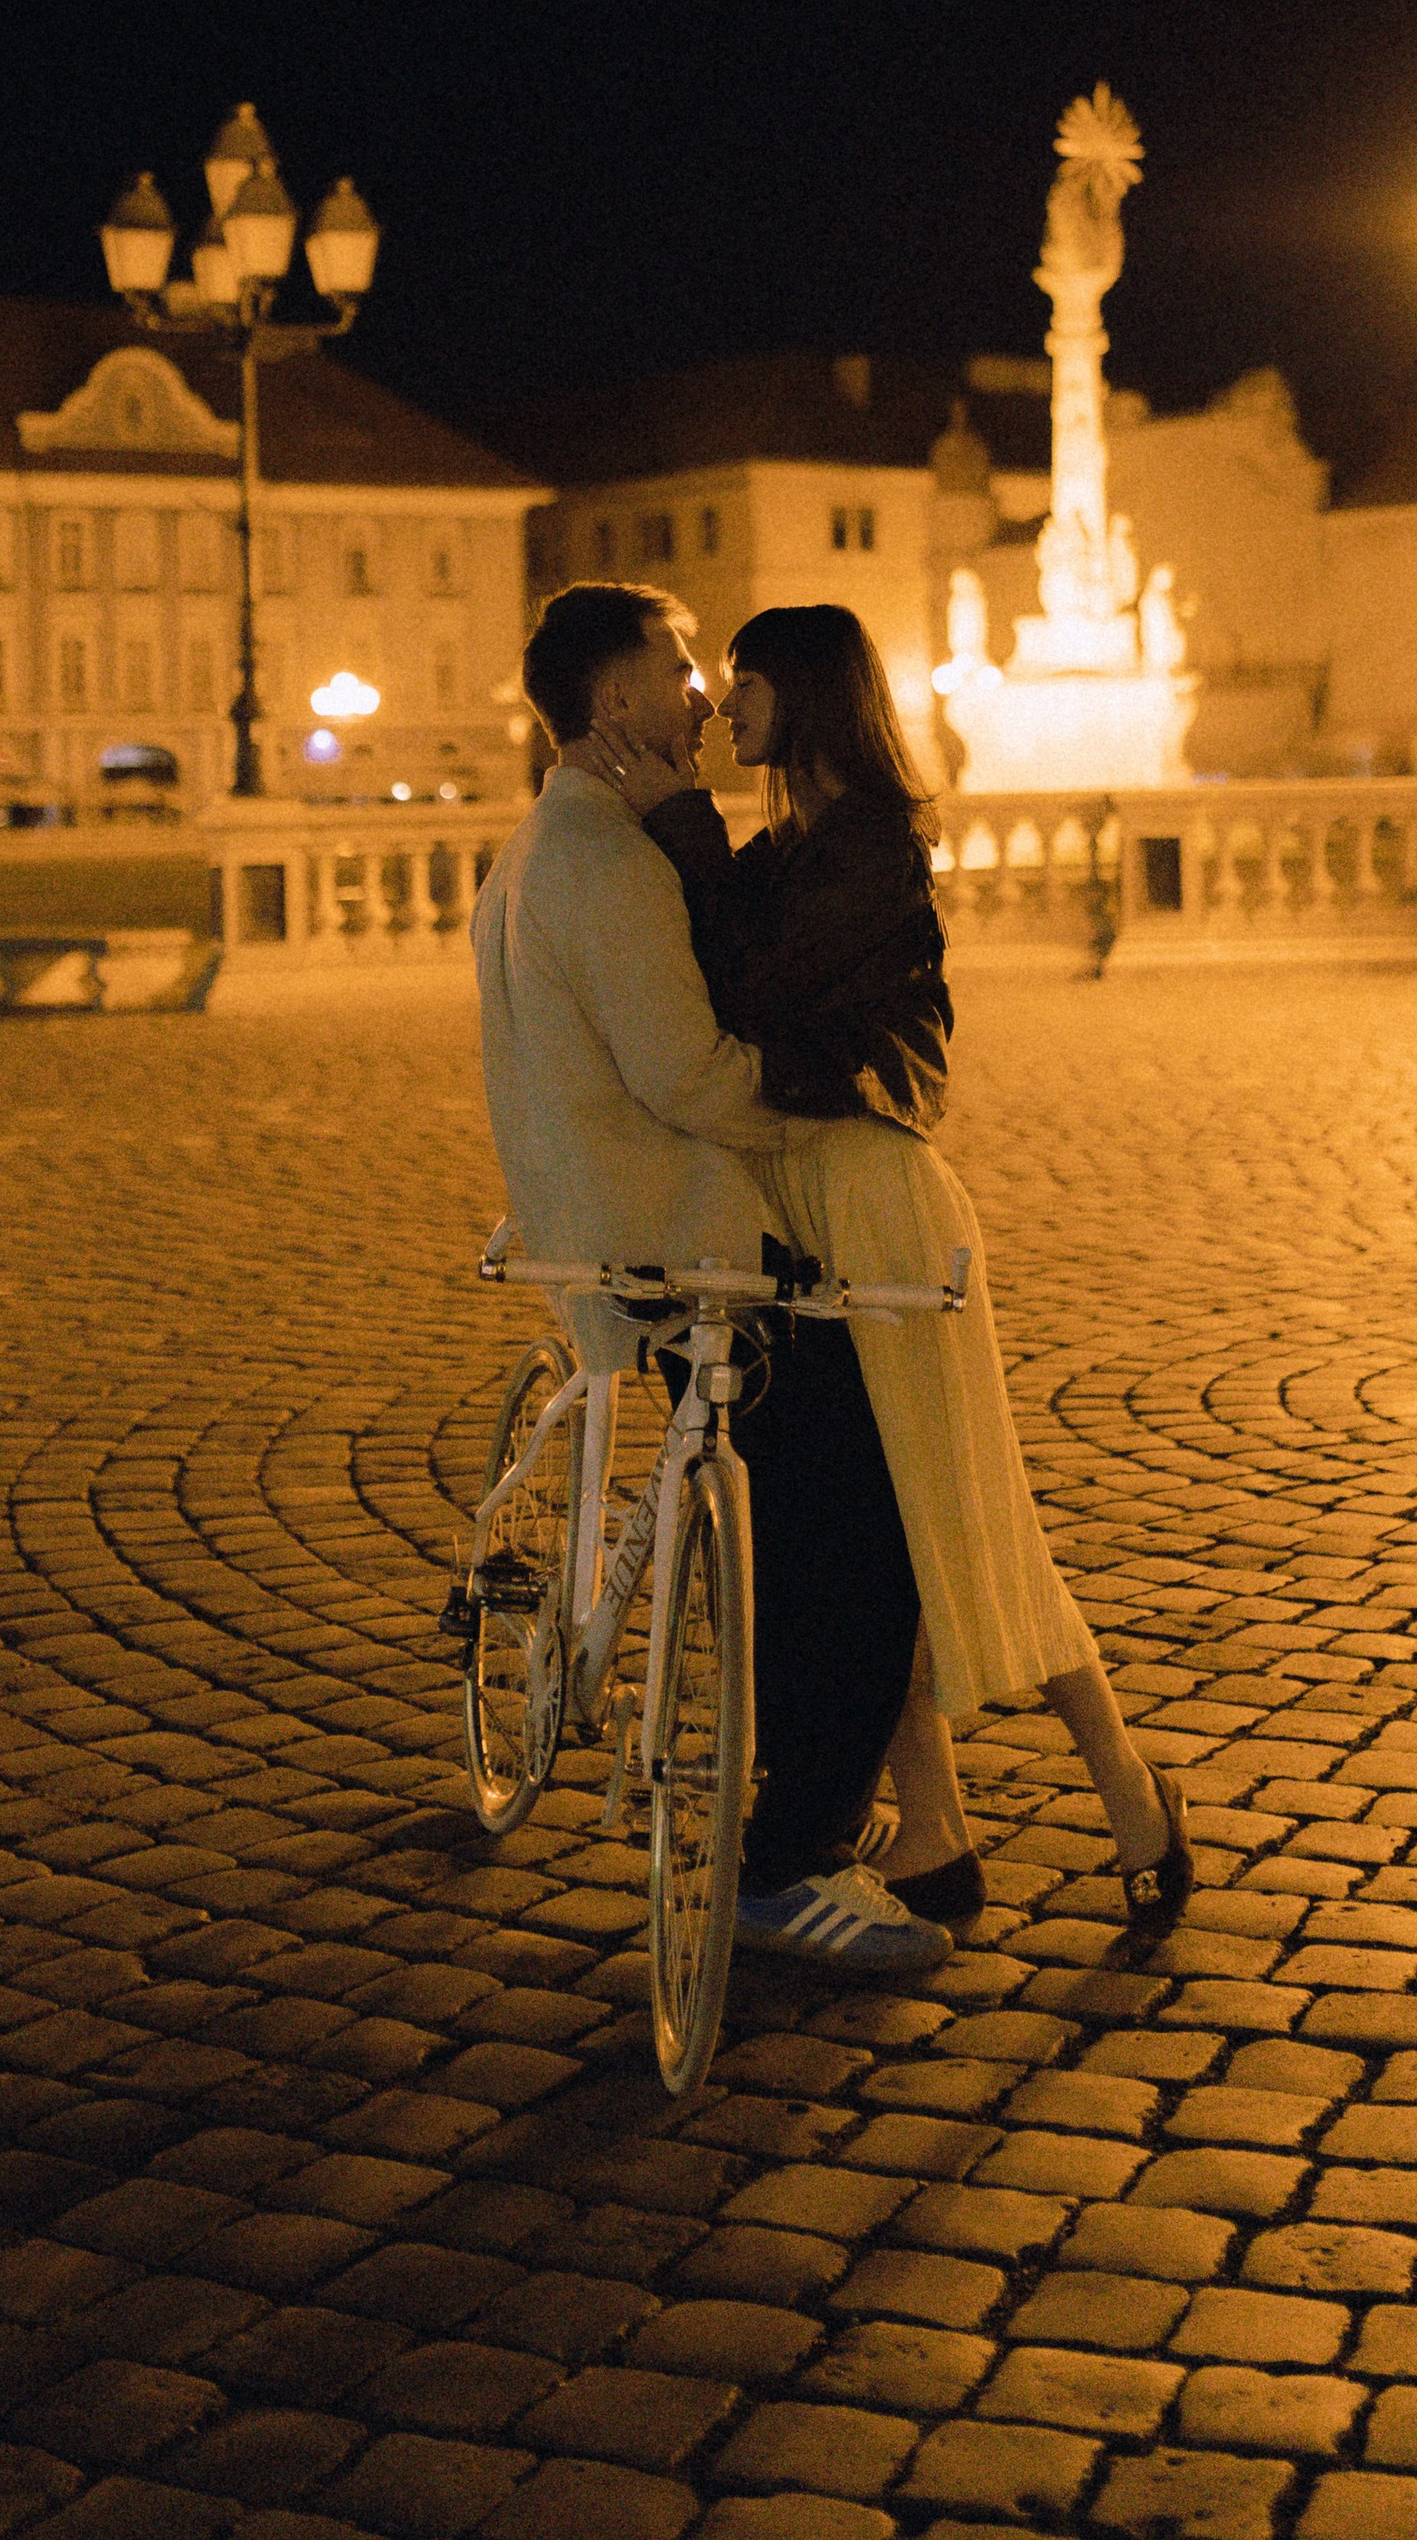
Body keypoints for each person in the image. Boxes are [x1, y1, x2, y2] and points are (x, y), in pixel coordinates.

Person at [589, 599, 1192, 1932]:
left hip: (877, 1208)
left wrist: (678, 822)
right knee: (882, 1535)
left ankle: (1130, 1787)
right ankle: (935, 1831)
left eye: (743, 682)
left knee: (965, 1515)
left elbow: (747, 981)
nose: (723, 704)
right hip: (802, 1197)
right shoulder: (798, 836)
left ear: (804, 694)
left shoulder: (866, 846)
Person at [471, 581, 953, 1977]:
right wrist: (844, 1114)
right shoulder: (613, 862)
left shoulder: (543, 843)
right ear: (613, 703)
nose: (698, 693)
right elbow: (687, 1072)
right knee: (863, 1527)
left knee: (810, 1503)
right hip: (680, 1252)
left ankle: (821, 1810)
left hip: (591, 1229)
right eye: (679, 670)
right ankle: (794, 1854)